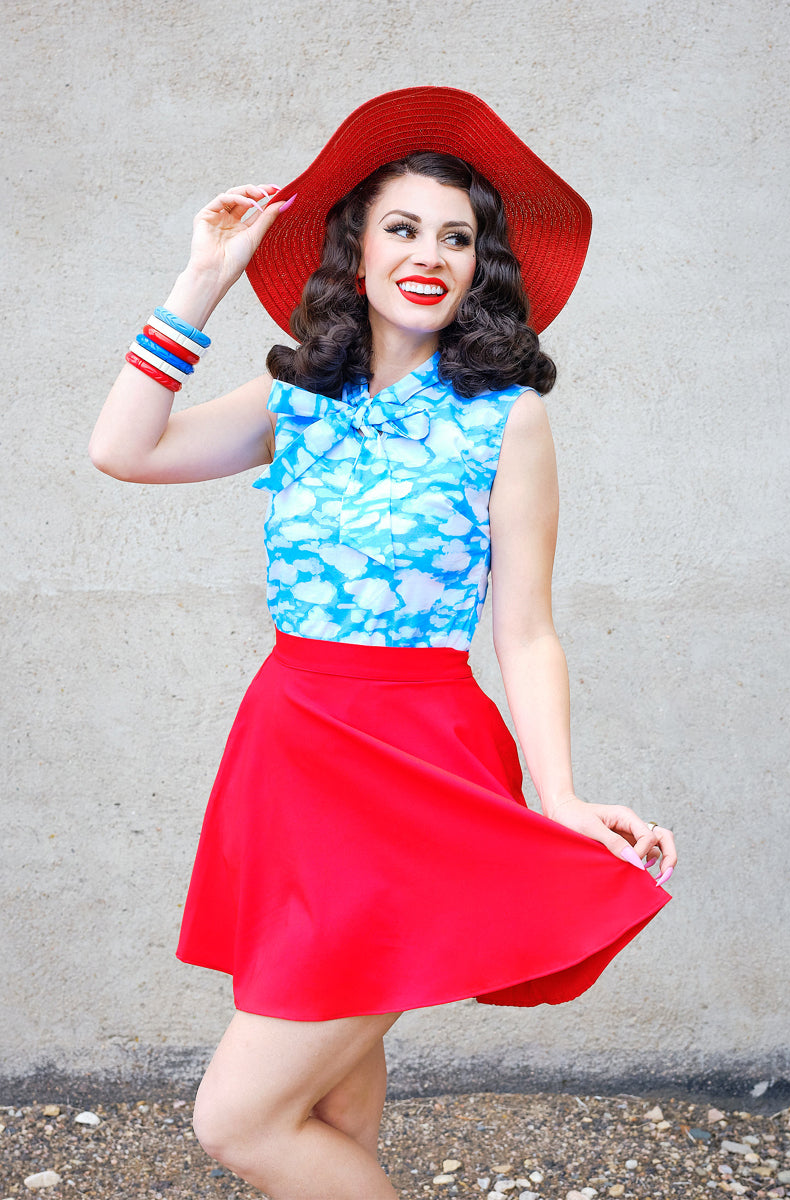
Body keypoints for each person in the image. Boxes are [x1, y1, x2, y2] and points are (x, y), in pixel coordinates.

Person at [90, 87, 677, 1200]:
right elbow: (123, 450)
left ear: (478, 269)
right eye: (402, 228)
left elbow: (527, 628)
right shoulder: (297, 399)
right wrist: (201, 280)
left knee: (241, 1119)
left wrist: (556, 797)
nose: (430, 255)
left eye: (455, 239)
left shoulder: (505, 416)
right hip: (288, 750)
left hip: (416, 760)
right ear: (354, 250)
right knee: (325, 1099)